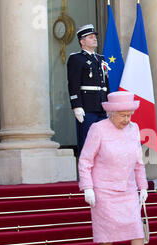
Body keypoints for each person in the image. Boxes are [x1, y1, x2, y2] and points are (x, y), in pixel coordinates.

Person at [78, 91, 154, 245]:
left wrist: (143, 186)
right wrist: (88, 188)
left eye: (129, 115)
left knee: (137, 230)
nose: (127, 119)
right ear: (111, 113)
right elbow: (85, 160)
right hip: (103, 189)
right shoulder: (98, 129)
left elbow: (139, 162)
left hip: (127, 188)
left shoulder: (134, 128)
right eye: (122, 115)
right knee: (107, 233)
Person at [68, 24, 110, 156]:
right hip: (87, 107)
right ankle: (86, 173)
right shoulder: (76, 59)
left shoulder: (100, 59)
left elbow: (105, 84)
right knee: (87, 140)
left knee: (103, 142)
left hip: (101, 106)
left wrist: (109, 105)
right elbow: (73, 83)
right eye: (90, 37)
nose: (94, 39)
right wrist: (76, 106)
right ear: (82, 41)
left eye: (94, 37)